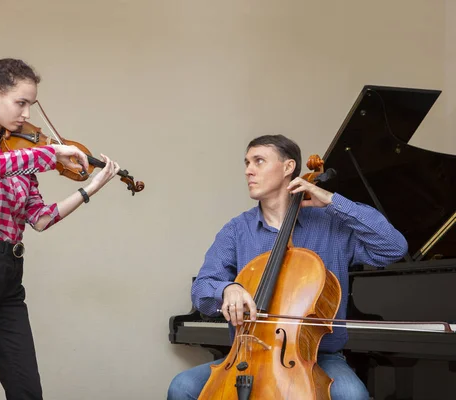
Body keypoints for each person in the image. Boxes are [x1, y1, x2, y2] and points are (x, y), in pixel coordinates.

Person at [167, 134, 408, 400]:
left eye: (259, 161)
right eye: (247, 162)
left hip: (319, 357)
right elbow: (202, 288)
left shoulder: (331, 226)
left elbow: (393, 248)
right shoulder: (237, 230)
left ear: (288, 167)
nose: (248, 170)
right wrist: (226, 290)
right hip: (246, 354)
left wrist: (332, 201)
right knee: (182, 387)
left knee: (352, 395)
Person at [0, 58, 121, 400]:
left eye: (31, 105)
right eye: (21, 103)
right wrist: (51, 154)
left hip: (9, 275)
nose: (27, 115)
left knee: (26, 390)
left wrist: (90, 188)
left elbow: (40, 218)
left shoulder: (20, 155)